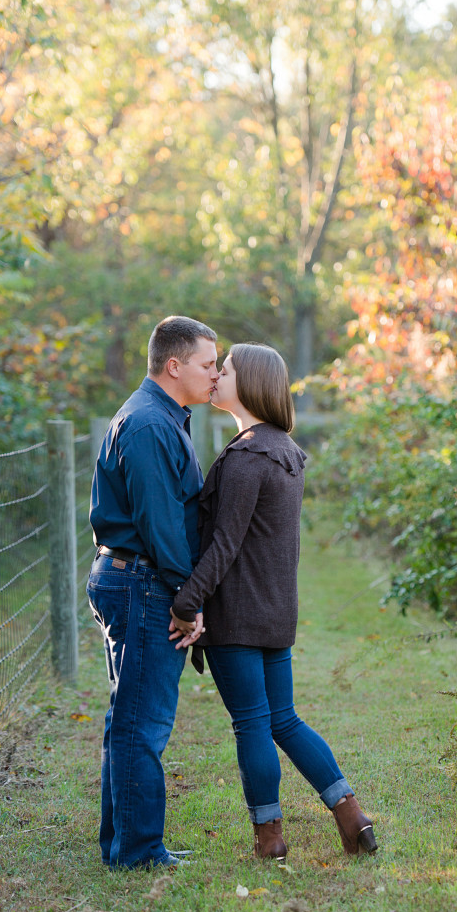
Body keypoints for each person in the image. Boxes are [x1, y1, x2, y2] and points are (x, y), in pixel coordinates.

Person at [170, 343, 378, 860]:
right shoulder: (284, 450)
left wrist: (187, 601)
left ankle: (269, 838)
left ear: (254, 382)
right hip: (275, 610)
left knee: (253, 725)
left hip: (239, 615)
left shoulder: (246, 457)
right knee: (283, 719)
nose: (218, 374)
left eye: (229, 369)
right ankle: (351, 815)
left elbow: (225, 543)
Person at [87, 315, 218, 870]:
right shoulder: (147, 425)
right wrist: (187, 602)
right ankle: (137, 852)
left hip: (138, 578)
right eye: (208, 364)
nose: (216, 374)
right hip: (142, 582)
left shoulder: (164, 417)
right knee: (143, 722)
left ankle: (123, 842)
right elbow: (162, 526)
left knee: (129, 716)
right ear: (175, 365)